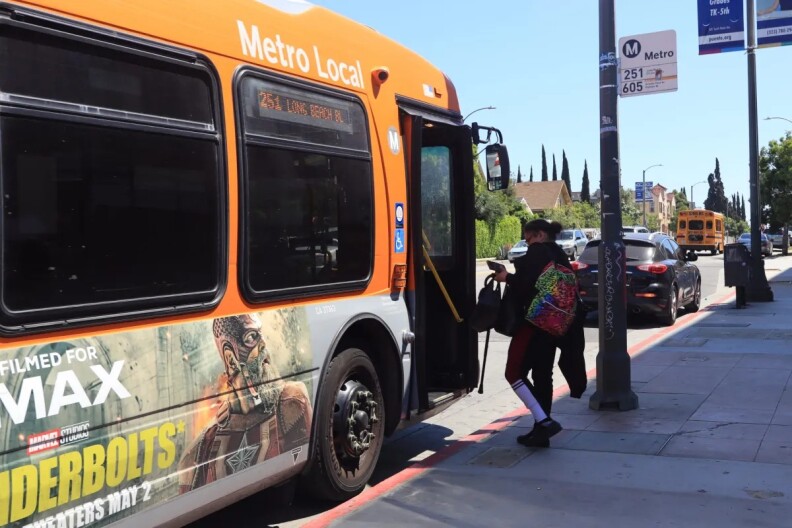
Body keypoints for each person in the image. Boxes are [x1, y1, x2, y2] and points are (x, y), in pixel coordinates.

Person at [493, 219, 572, 447]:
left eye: (527, 239)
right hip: (554, 325)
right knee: (542, 375)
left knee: (513, 373)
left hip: (533, 323)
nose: (527, 244)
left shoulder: (537, 252)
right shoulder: (560, 254)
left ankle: (544, 421)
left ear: (538, 235)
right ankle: (540, 431)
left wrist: (505, 277)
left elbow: (526, 284)